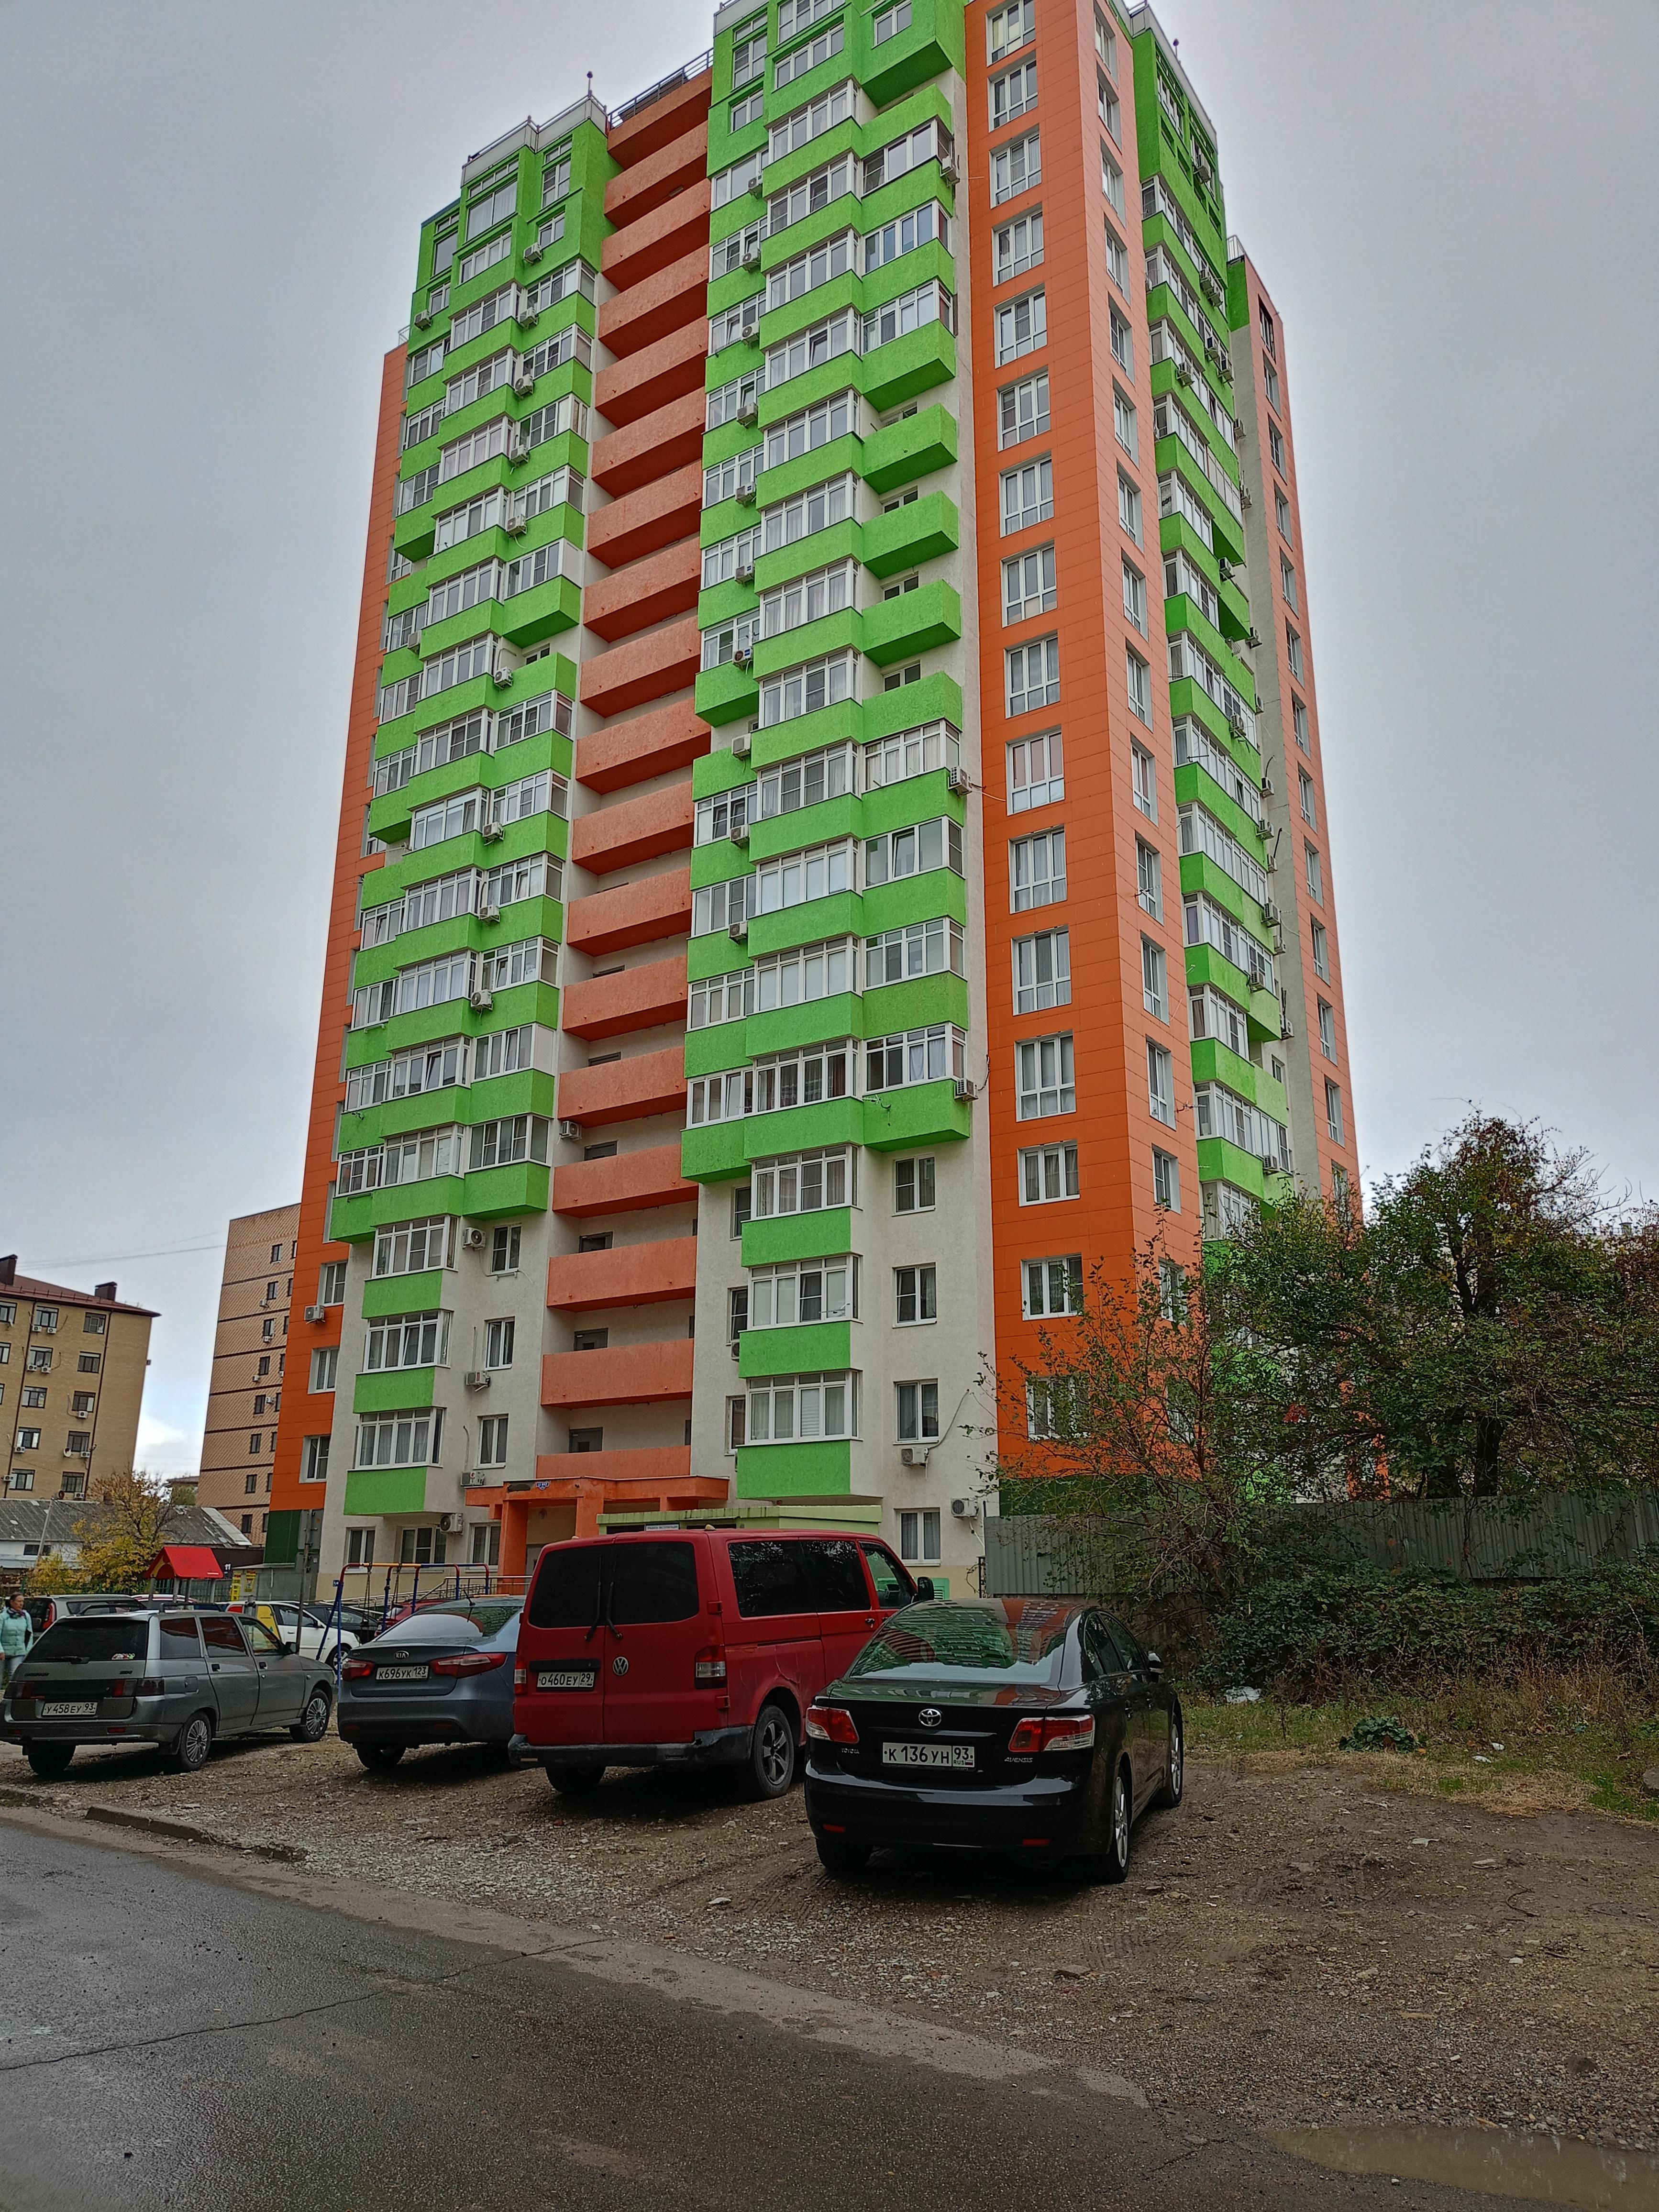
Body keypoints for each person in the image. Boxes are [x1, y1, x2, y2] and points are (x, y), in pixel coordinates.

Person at [0, 1591, 32, 1691]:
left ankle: (12, 1696)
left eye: (23, 1602)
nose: (21, 1604)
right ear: (12, 1602)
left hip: (19, 1652)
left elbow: (30, 1634)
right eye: (19, 1601)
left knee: (14, 1676)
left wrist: (28, 1651)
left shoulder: (26, 1616)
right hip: (3, 1652)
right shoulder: (3, 1617)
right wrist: (1, 1651)